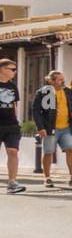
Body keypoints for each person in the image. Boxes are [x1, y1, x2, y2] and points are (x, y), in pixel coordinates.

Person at [33, 70, 72, 189]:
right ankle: (47, 178)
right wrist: (40, 127)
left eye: (63, 79)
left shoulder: (68, 91)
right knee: (49, 152)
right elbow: (36, 111)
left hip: (67, 127)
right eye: (60, 79)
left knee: (71, 150)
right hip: (51, 128)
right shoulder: (44, 92)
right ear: (51, 81)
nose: (63, 81)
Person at [0, 59, 25, 194]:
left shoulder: (13, 86)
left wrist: (16, 122)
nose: (15, 72)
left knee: (13, 152)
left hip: (11, 125)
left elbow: (14, 105)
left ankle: (12, 183)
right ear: (2, 69)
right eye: (12, 69)